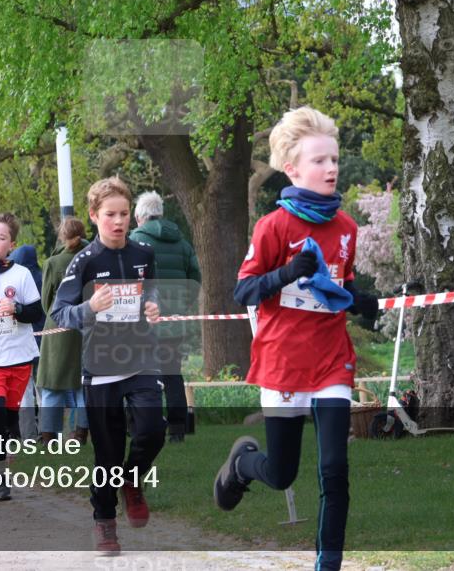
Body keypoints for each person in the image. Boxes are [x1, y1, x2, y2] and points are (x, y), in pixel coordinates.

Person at [212, 107, 379, 571]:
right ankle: (242, 466)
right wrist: (285, 273)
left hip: (330, 362)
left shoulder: (346, 228)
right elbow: (243, 290)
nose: (331, 169)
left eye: (335, 159)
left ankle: (328, 563)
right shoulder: (274, 227)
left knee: (334, 471)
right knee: (282, 472)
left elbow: (338, 287)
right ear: (293, 169)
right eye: (320, 161)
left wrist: (360, 300)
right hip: (284, 362)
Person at [51, 177, 165, 556]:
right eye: (110, 215)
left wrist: (152, 308)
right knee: (108, 454)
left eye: (123, 214)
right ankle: (104, 520)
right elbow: (59, 313)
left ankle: (132, 481)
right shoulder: (84, 262)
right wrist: (89, 308)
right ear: (94, 216)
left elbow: (151, 296)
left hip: (141, 362)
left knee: (153, 429)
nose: (118, 222)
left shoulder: (144, 255)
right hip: (101, 369)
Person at [0, 213, 44, 501]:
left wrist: (15, 308)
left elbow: (36, 314)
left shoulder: (21, 275)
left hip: (18, 356)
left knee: (9, 417)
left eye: (1, 237)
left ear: (11, 244)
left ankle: (5, 447)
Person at [130, 191, 201, 443]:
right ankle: (178, 430)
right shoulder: (182, 243)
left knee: (140, 376)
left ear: (139, 217)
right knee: (173, 374)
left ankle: (143, 427)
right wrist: (183, 304)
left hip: (143, 321)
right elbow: (195, 278)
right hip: (175, 321)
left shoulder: (135, 240)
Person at [37, 217, 88, 444]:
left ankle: (49, 436)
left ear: (61, 236)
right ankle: (80, 434)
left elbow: (46, 301)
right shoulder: (93, 257)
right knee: (82, 384)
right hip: (87, 323)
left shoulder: (53, 262)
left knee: (52, 384)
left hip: (58, 326)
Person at [10, 243, 44, 441]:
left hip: (23, 342)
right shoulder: (42, 277)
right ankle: (48, 433)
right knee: (44, 389)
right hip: (46, 340)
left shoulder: (19, 280)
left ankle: (28, 434)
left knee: (24, 390)